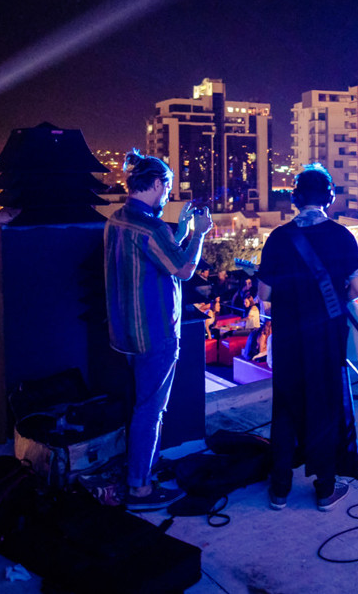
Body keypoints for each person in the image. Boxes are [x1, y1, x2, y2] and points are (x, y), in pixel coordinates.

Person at [104, 149, 213, 511]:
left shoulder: (117, 219)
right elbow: (183, 269)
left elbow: (156, 259)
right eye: (166, 186)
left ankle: (141, 472)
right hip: (156, 334)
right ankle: (140, 487)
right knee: (150, 411)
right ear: (154, 184)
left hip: (125, 334)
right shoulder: (151, 227)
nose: (168, 194)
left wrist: (178, 232)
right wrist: (198, 235)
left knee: (141, 406)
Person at [257, 164, 358, 511]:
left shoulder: (278, 237)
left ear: (295, 199)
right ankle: (324, 489)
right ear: (329, 198)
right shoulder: (343, 237)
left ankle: (280, 489)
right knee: (325, 402)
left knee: (286, 404)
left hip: (289, 335)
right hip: (327, 335)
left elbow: (265, 293)